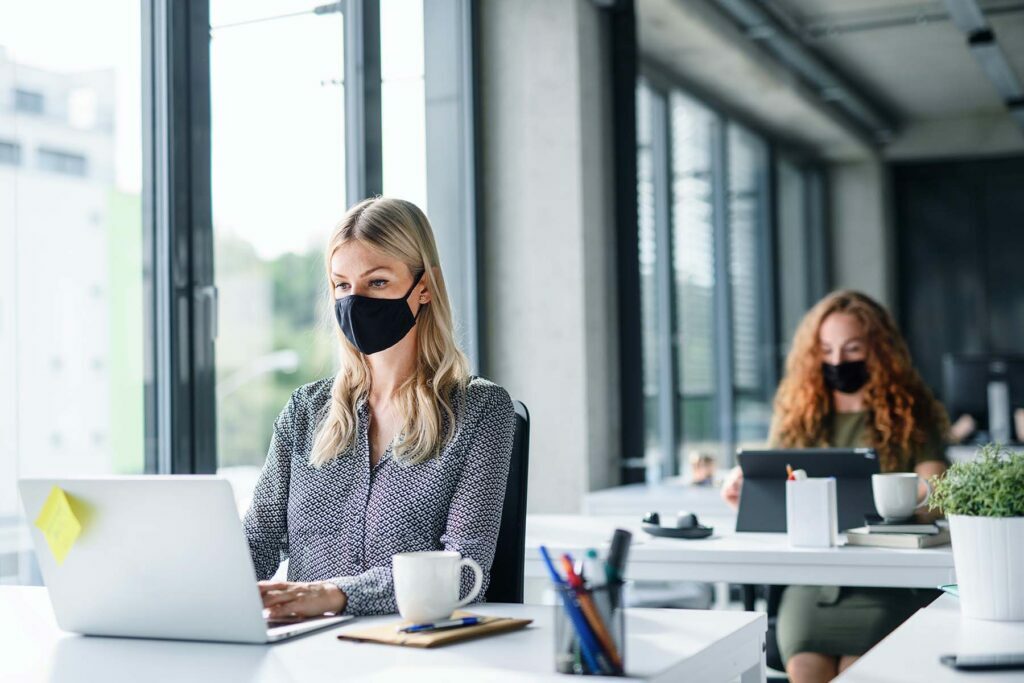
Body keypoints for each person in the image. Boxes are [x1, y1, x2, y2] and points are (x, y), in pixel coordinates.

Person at [244, 197, 516, 619]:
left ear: (423, 287)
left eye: (377, 283)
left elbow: (465, 573)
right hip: (303, 650)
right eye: (342, 285)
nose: (356, 301)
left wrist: (336, 594)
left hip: (410, 655)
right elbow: (256, 543)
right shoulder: (304, 411)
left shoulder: (481, 411)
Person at [721, 290, 949, 683]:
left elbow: (937, 491)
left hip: (887, 581)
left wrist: (910, 495)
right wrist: (743, 487)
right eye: (826, 350)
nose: (837, 361)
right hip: (814, 582)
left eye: (852, 348)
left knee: (854, 672)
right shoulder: (798, 414)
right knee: (808, 669)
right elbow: (774, 482)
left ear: (879, 351)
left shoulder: (912, 413)